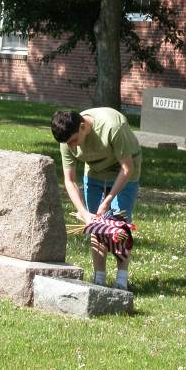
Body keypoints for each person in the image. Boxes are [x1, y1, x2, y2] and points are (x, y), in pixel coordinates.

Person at [51, 108, 142, 290]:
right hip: (95, 172)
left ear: (83, 126)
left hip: (124, 170)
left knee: (119, 225)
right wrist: (85, 214)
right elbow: (69, 181)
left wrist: (108, 200)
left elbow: (127, 168)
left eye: (74, 141)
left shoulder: (112, 127)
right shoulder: (66, 140)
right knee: (97, 225)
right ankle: (99, 278)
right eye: (68, 144)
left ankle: (121, 281)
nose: (72, 147)